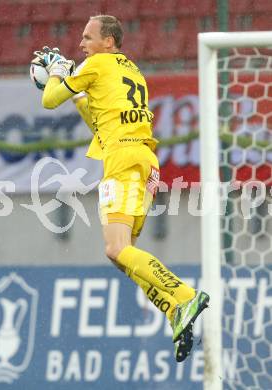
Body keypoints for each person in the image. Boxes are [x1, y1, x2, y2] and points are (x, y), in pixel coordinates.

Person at [32, 15, 209, 362]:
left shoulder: (97, 63)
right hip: (146, 161)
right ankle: (174, 310)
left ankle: (184, 296)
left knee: (115, 249)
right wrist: (76, 90)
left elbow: (49, 101)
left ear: (108, 41)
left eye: (87, 37)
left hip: (124, 162)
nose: (81, 44)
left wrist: (56, 72)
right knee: (123, 253)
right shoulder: (131, 70)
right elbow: (99, 122)